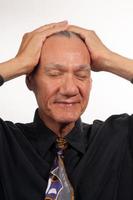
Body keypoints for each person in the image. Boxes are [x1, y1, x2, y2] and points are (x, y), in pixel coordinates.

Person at [0, 21, 133, 200]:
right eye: (55, 74)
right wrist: (19, 63)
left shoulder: (120, 138)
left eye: (81, 75)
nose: (70, 89)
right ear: (30, 81)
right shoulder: (6, 144)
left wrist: (109, 59)